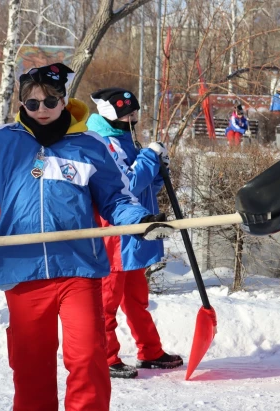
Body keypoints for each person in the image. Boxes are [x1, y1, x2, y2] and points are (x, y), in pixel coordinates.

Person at [0, 63, 173, 411]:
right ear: (22, 105)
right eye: (32, 103)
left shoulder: (89, 146)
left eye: (50, 101)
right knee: (32, 369)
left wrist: (141, 221)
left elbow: (117, 198)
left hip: (78, 268)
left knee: (89, 359)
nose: (41, 110)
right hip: (22, 269)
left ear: (63, 100)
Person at [87, 87, 183, 379]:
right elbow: (126, 183)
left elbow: (143, 190)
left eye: (134, 113)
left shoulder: (125, 140)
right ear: (110, 114)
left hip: (134, 233)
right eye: (127, 114)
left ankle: (150, 350)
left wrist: (156, 172)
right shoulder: (103, 143)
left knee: (136, 298)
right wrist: (149, 159)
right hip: (114, 232)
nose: (134, 118)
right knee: (107, 300)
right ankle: (105, 356)